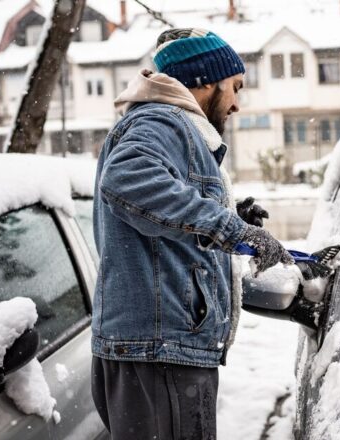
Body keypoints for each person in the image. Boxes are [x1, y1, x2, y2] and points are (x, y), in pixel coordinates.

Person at [90, 28, 293, 440]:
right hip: (160, 351)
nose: (236, 103)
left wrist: (229, 214)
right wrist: (229, 228)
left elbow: (158, 208)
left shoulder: (164, 123)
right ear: (205, 81)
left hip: (157, 348)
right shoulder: (163, 120)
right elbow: (128, 180)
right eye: (235, 87)